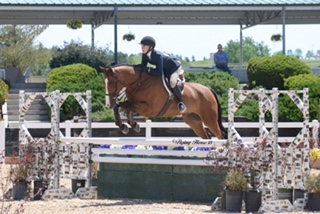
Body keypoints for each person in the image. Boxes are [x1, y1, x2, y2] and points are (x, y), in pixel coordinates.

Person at [139, 36, 187, 113]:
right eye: (141, 46)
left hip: (174, 67)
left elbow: (159, 73)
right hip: (164, 67)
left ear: (150, 47)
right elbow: (142, 67)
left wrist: (148, 69)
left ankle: (181, 103)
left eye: (144, 46)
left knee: (172, 82)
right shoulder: (144, 55)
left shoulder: (158, 56)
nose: (142, 48)